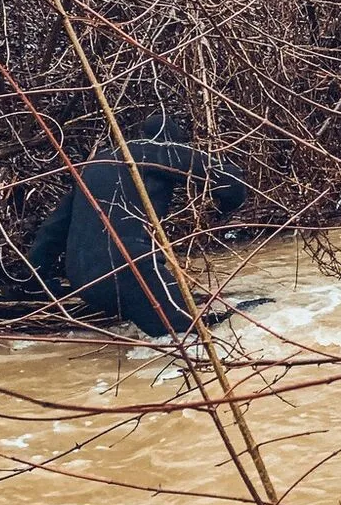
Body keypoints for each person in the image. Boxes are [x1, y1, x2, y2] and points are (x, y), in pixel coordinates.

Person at [26, 110, 248, 336]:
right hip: (132, 268)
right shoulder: (164, 152)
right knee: (193, 338)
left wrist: (34, 282)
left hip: (84, 281)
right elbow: (232, 182)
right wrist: (222, 212)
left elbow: (51, 232)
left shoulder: (97, 162)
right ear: (174, 140)